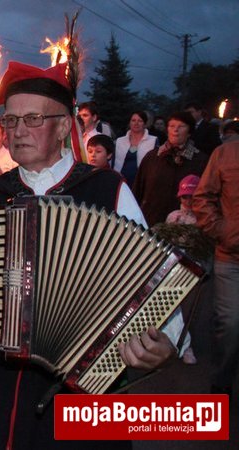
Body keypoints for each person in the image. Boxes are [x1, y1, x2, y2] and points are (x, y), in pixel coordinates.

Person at [0, 61, 182, 449]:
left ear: (63, 127)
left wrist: (166, 341)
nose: (18, 130)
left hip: (83, 382)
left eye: (33, 119)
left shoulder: (107, 189)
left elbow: (154, 280)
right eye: (10, 120)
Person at [192, 127, 239, 397]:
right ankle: (222, 382)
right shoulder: (225, 153)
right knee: (230, 322)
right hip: (232, 256)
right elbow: (202, 197)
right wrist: (223, 231)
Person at [132, 111, 209, 227]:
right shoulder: (153, 157)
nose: (175, 130)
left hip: (184, 227)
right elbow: (138, 190)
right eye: (172, 126)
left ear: (189, 131)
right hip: (150, 221)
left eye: (181, 126)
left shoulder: (200, 160)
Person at [165, 174, 202, 365]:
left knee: (189, 309)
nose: (188, 201)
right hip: (173, 267)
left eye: (191, 197)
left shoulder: (202, 219)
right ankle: (177, 343)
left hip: (195, 269)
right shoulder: (173, 216)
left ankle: (186, 345)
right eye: (185, 197)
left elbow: (204, 247)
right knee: (173, 307)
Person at [114, 111, 157, 185]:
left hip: (143, 182)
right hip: (121, 181)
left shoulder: (153, 140)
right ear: (129, 123)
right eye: (133, 120)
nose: (136, 123)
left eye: (140, 121)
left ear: (145, 124)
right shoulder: (120, 141)